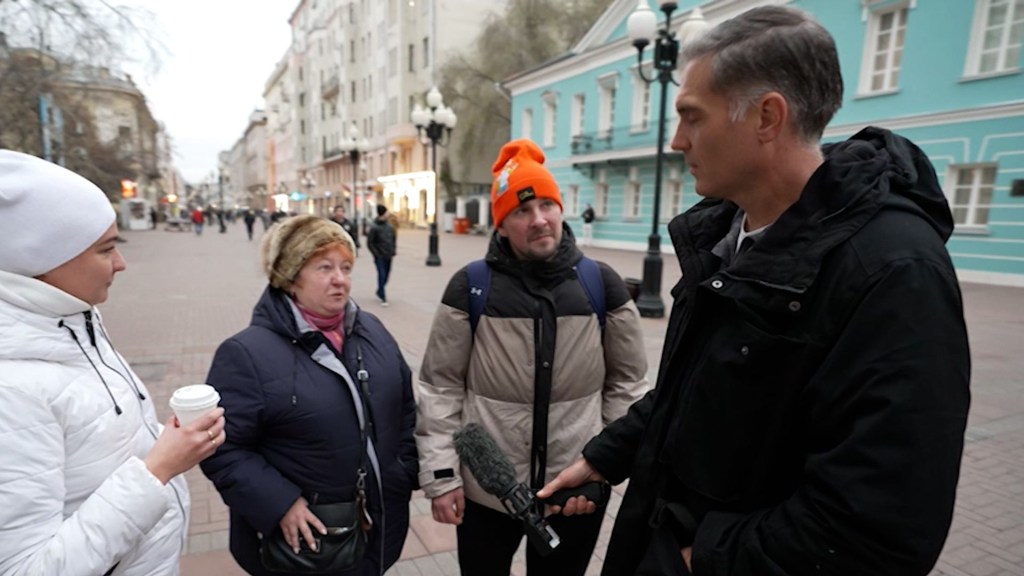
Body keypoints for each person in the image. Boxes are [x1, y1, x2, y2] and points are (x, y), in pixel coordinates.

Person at [538, 6, 972, 576]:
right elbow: (698, 391)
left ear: (767, 117)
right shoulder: (726, 234)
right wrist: (606, 454)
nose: (675, 140)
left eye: (693, 117)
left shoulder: (895, 272)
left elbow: (880, 527)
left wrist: (693, 561)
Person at [416, 139, 649, 576]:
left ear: (562, 209)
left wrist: (602, 466)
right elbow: (439, 387)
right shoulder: (470, 288)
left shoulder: (603, 285)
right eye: (522, 210)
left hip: (574, 492)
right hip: (487, 494)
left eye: (547, 204)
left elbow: (628, 387)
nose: (539, 219)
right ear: (501, 224)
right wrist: (443, 478)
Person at [0, 150, 225, 575]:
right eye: (106, 250)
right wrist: (160, 467)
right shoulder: (11, 386)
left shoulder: (70, 321)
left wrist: (162, 439)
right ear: (43, 258)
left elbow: (91, 445)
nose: (121, 263)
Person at [200, 215, 418, 576]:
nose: (340, 279)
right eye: (324, 267)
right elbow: (221, 447)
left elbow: (405, 407)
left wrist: (402, 471)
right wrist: (280, 503)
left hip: (378, 525)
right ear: (290, 276)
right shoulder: (245, 354)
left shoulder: (371, 331)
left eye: (346, 267)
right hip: (308, 545)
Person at [366, 204, 396, 307]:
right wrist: (376, 254)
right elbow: (370, 243)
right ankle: (383, 297)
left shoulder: (390, 227)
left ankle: (379, 290)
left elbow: (393, 239)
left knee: (386, 276)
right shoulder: (374, 227)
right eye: (387, 212)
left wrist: (393, 250)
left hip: (388, 255)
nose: (388, 214)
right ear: (383, 213)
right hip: (380, 256)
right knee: (381, 275)